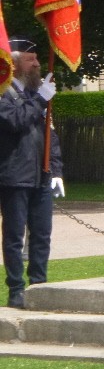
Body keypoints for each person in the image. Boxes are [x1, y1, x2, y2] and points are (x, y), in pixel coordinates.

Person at [0, 37, 63, 309]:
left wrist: (57, 170)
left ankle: (39, 284)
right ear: (13, 63)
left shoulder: (35, 94)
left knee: (41, 233)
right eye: (30, 59)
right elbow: (15, 121)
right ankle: (17, 289)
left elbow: (51, 135)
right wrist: (40, 100)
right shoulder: (3, 93)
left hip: (41, 174)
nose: (37, 63)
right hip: (14, 174)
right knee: (14, 236)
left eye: (37, 58)